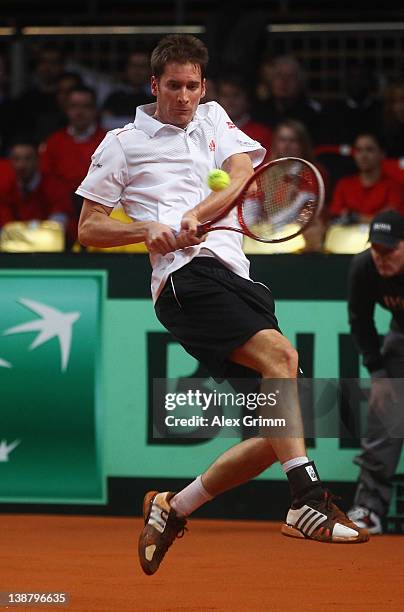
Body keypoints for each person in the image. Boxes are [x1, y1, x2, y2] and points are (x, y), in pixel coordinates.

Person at [76, 34, 368, 576]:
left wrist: (198, 212)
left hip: (237, 274)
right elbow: (88, 227)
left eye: (192, 86)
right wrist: (149, 229)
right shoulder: (122, 142)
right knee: (282, 358)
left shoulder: (213, 118)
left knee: (275, 428)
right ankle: (306, 498)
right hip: (185, 279)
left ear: (203, 86)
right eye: (174, 87)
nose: (184, 97)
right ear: (154, 85)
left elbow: (239, 176)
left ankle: (173, 507)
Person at [346, 210, 404, 534]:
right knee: (385, 414)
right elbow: (361, 321)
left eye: (390, 251)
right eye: (376, 250)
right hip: (402, 339)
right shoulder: (365, 268)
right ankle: (368, 508)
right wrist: (378, 373)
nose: (381, 259)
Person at [40, 85, 106, 235]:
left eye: (86, 106)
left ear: (95, 110)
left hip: (99, 210)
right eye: (74, 106)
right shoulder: (54, 142)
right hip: (62, 210)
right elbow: (46, 181)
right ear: (66, 109)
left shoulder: (109, 140)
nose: (79, 112)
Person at [269, 119, 329, 251]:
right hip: (268, 234)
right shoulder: (265, 174)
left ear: (303, 145)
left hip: (300, 234)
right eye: (282, 140)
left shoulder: (313, 172)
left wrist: (272, 223)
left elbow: (307, 209)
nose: (287, 145)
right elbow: (251, 209)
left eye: (293, 141)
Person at [0, 140, 73, 239]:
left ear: (37, 160)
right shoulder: (7, 189)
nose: (21, 165)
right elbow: (5, 228)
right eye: (16, 159)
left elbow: (58, 227)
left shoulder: (55, 187)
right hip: (16, 248)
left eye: (27, 159)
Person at [329, 132, 404, 223]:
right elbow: (335, 216)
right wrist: (374, 218)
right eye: (359, 150)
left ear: (382, 154)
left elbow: (392, 221)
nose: (363, 155)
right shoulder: (344, 184)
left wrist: (354, 217)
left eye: (369, 150)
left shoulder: (394, 187)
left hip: (378, 236)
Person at [251, 54, 323, 145]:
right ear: (270, 80)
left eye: (290, 76)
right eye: (279, 75)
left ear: (300, 82)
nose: (284, 81)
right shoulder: (257, 112)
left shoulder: (313, 114)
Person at [216, 74, 272, 161]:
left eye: (236, 95)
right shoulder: (210, 131)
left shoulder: (263, 134)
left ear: (247, 99)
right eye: (225, 95)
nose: (230, 101)